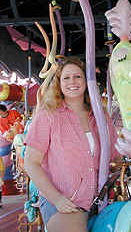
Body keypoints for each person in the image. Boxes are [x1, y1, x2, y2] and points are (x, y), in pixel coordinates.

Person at [24, 56, 122, 232]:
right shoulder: (49, 114)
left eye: (77, 76)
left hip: (99, 197)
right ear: (59, 83)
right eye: (66, 78)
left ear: (86, 81)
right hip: (63, 200)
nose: (72, 82)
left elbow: (116, 156)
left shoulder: (100, 116)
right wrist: (57, 199)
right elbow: (31, 162)